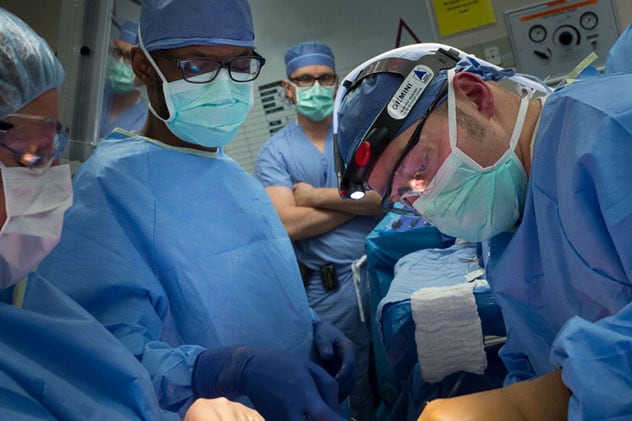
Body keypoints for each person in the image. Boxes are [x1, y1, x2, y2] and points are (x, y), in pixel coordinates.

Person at [33, 1, 356, 420]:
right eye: (197, 66)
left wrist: (311, 327)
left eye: (240, 64)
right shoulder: (107, 191)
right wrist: (220, 371)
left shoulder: (235, 177)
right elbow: (100, 358)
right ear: (145, 68)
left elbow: (260, 289)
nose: (223, 85)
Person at [333, 36, 632, 420]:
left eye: (420, 171)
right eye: (404, 198)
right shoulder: (504, 232)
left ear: (475, 96)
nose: (425, 202)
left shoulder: (614, 132)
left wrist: (531, 405)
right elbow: (534, 356)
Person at [0, 7, 171, 419]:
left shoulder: (24, 302)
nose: (56, 182)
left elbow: (114, 381)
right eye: (32, 151)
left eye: (53, 147)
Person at [255, 41, 383, 420]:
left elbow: (386, 195)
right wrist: (357, 202)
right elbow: (287, 224)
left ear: (337, 81)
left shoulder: (360, 135)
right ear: (287, 88)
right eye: (305, 79)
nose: (316, 86)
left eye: (324, 78)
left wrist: (314, 196)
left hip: (382, 272)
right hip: (326, 292)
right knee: (347, 382)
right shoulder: (275, 153)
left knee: (402, 367)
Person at [98, 20, 148, 140]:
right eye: (118, 52)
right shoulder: (96, 94)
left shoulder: (143, 119)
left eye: (127, 56)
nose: (119, 61)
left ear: (144, 67)